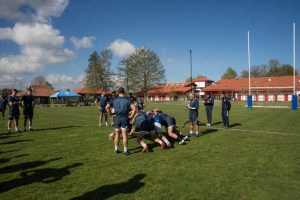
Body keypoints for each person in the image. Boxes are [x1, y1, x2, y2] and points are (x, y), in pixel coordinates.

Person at [106, 87, 136, 155]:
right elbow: (134, 108)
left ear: (117, 92)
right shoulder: (128, 99)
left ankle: (116, 149)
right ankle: (125, 151)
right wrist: (131, 116)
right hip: (124, 118)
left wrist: (110, 114)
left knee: (117, 134)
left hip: (117, 118)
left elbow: (106, 107)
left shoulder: (114, 99)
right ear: (124, 91)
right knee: (124, 135)